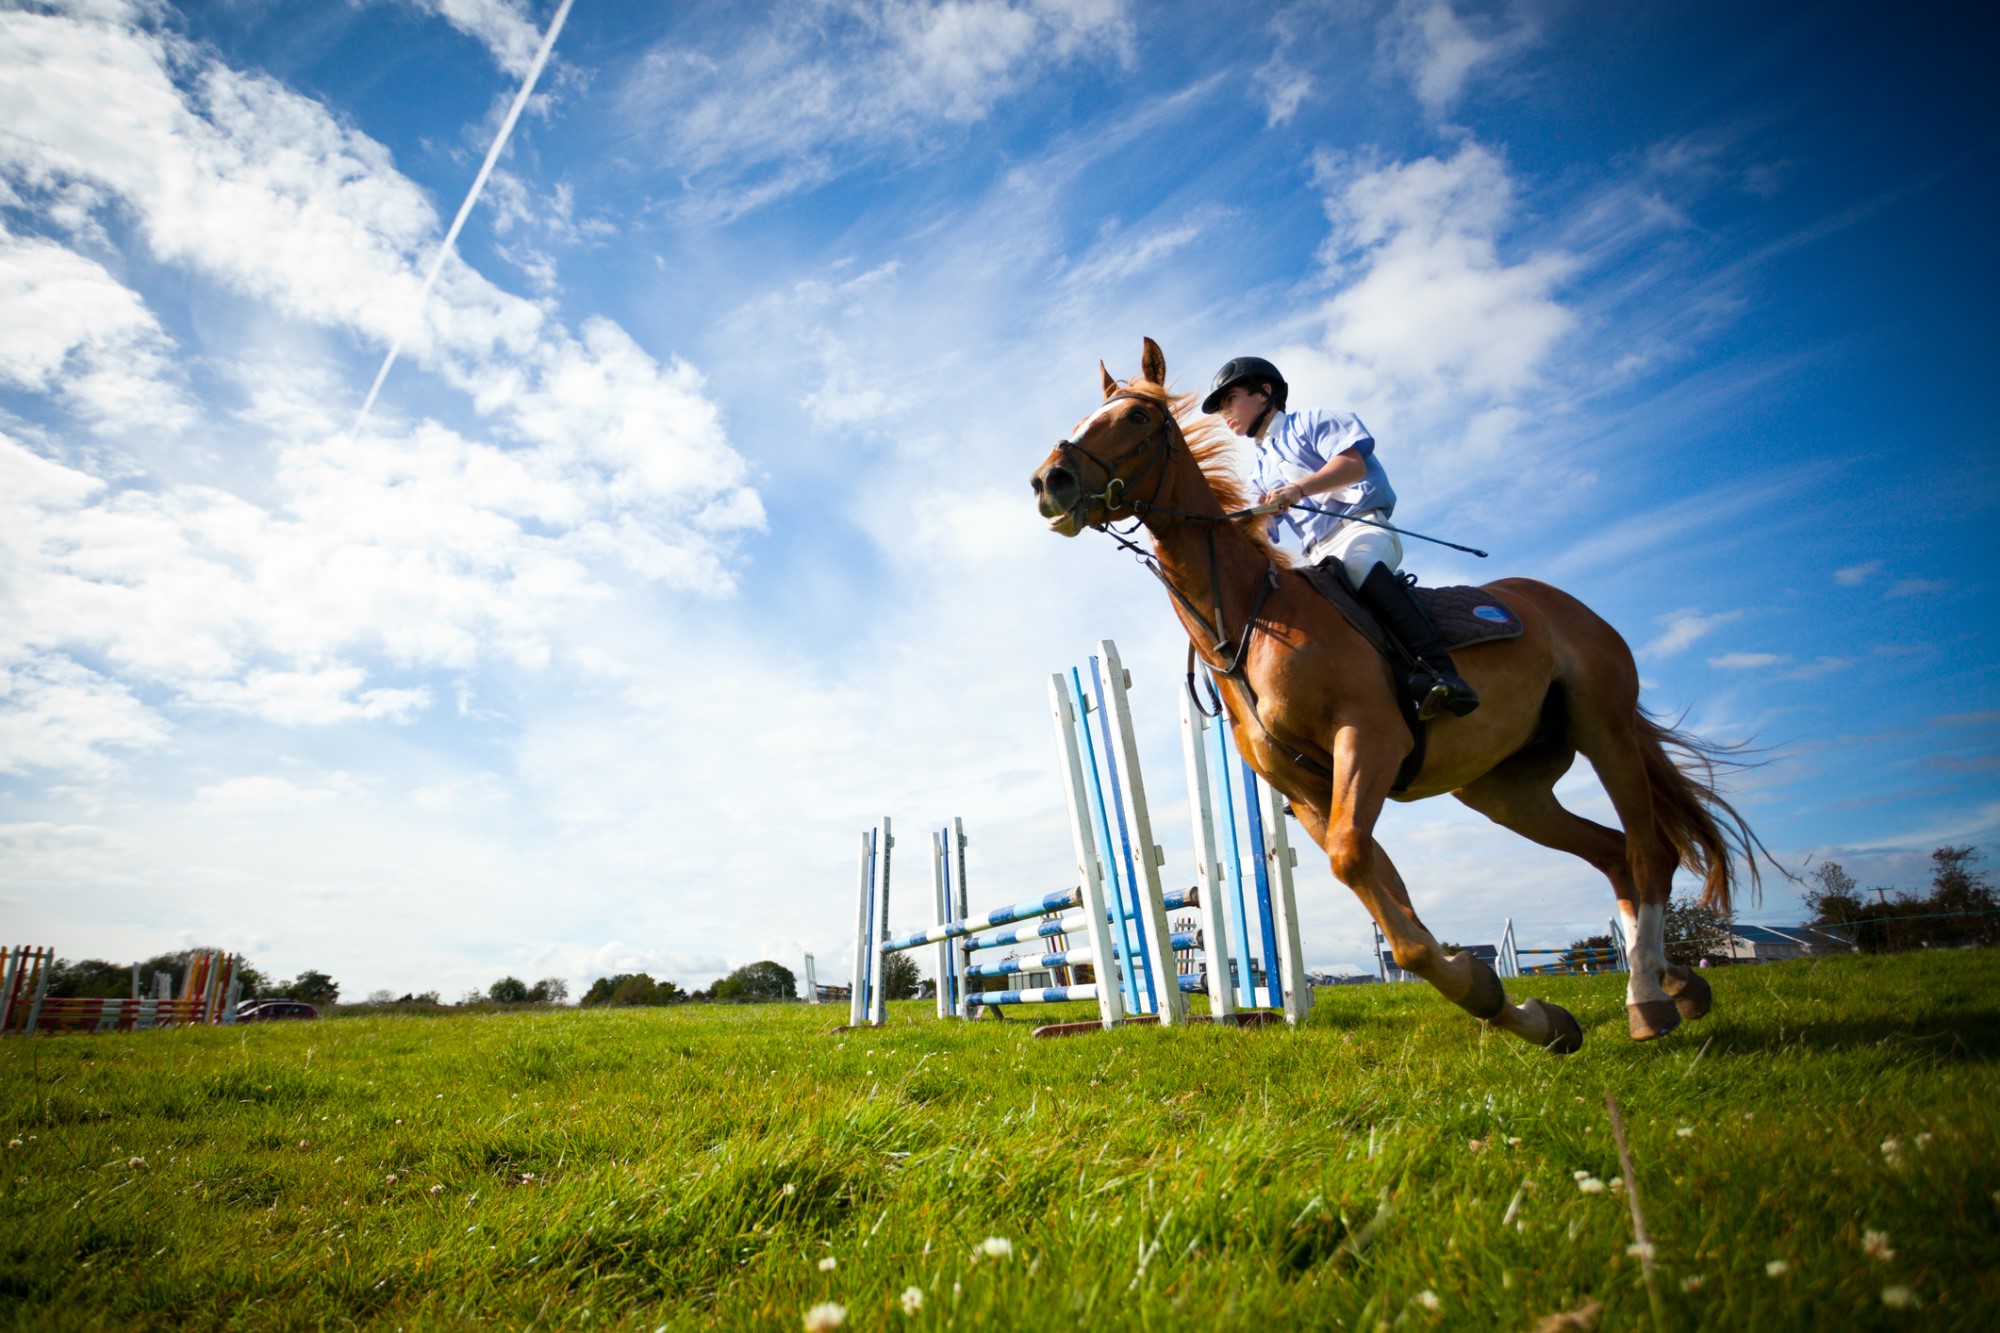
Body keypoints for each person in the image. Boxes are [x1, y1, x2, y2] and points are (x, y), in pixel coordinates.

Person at [1202, 355, 1479, 720]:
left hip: (1362, 527)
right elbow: (1268, 529)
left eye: (1229, 399)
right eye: (1220, 406)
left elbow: (1352, 465)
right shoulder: (1259, 470)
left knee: (1358, 565)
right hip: (1317, 555)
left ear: (1264, 391)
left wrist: (1296, 490)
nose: (1225, 412)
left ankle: (1438, 670)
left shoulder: (1315, 420)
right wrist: (1250, 523)